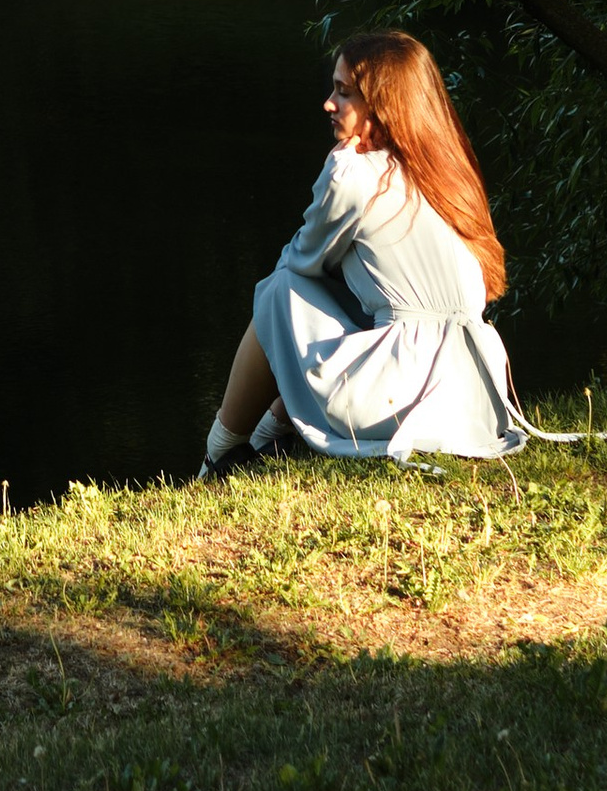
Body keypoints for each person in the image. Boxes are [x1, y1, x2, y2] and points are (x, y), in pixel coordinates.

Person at [199, 26, 527, 470]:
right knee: (351, 300)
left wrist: (338, 168)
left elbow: (302, 262)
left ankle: (219, 453)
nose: (328, 104)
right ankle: (267, 440)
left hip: (401, 395)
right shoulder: (451, 176)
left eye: (344, 93)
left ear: (383, 105)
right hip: (478, 401)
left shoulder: (354, 175)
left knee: (278, 291)